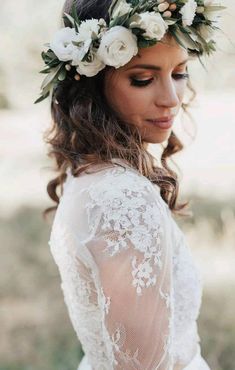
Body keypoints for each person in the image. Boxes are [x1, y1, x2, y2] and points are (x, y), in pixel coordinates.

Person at [37, 0, 225, 369]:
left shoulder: (90, 170)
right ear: (91, 82)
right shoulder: (122, 198)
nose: (171, 99)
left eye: (180, 73)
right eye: (142, 79)